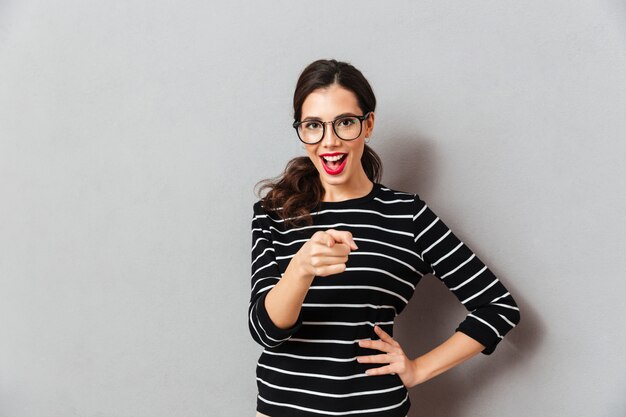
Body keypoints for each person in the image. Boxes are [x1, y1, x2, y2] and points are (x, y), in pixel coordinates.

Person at [248, 59, 520, 417]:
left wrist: (419, 369)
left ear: (368, 124)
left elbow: (498, 307)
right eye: (314, 126)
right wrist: (300, 269)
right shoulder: (274, 212)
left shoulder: (407, 215)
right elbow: (266, 333)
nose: (329, 141)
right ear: (301, 130)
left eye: (345, 122)